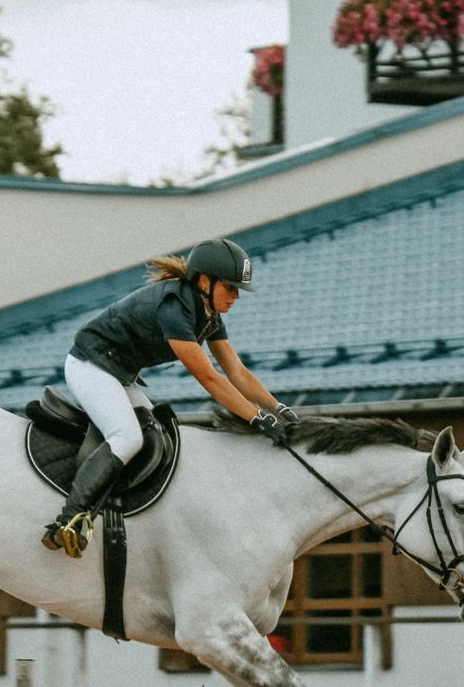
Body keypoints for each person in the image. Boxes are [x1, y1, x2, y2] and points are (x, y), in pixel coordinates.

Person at [43, 237, 298, 555]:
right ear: (205, 280)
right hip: (89, 365)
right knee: (127, 438)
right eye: (230, 288)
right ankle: (70, 520)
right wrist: (258, 419)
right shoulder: (174, 308)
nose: (235, 297)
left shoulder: (208, 313)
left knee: (159, 437)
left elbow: (236, 371)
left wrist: (279, 408)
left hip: (119, 374)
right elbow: (209, 378)